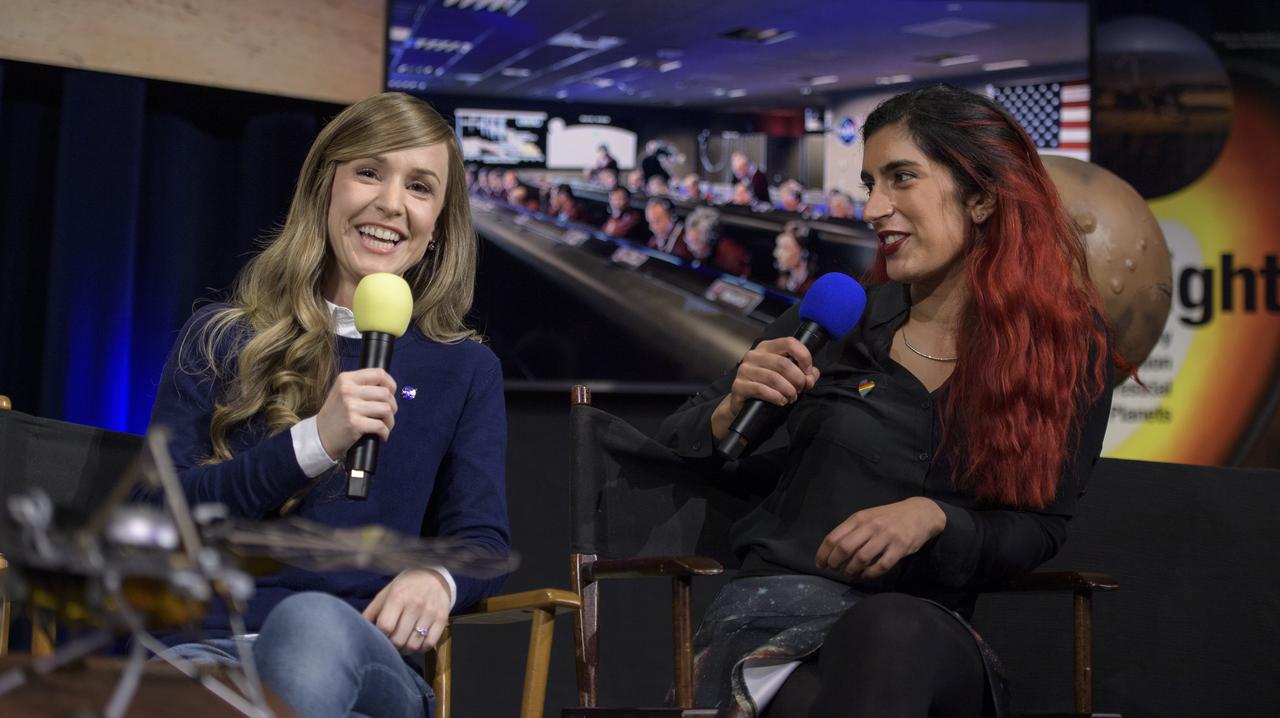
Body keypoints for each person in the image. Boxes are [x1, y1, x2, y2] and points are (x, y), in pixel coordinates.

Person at [655, 84, 1120, 717]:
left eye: (901, 178)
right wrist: (731, 406)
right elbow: (677, 443)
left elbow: (1040, 528)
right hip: (775, 627)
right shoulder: (833, 321)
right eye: (870, 182)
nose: (873, 207)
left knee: (891, 633)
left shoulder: (1066, 351)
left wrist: (935, 517)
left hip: (926, 635)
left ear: (982, 195)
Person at [147, 92, 511, 718]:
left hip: (360, 658)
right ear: (324, 188)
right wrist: (312, 443)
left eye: (420, 187)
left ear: (439, 225)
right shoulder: (220, 337)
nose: (391, 204)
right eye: (369, 172)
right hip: (210, 652)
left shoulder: (464, 368)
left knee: (310, 626)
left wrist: (438, 579)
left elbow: (480, 538)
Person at [683, 206, 751, 277]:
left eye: (695, 242)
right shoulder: (691, 252)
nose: (689, 248)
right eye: (687, 240)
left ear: (711, 241)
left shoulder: (731, 258)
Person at [773, 219, 817, 294]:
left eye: (785, 248)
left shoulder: (813, 287)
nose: (776, 253)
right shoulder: (784, 281)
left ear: (803, 252)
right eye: (778, 247)